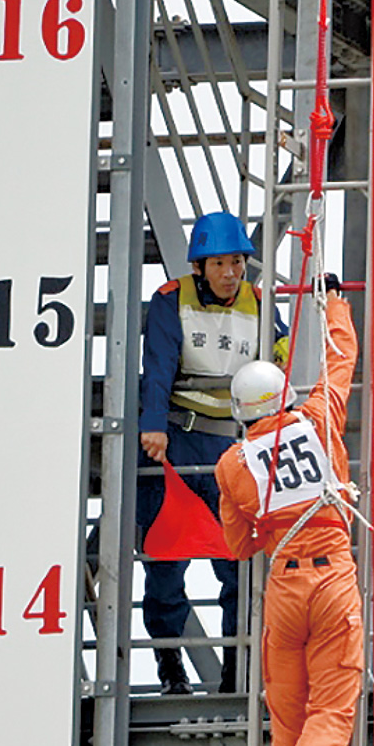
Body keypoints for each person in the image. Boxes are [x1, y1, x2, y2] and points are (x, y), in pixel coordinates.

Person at [213, 277, 363, 746]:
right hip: (331, 576)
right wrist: (334, 303)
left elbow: (239, 545)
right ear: (283, 395)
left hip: (284, 588)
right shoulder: (320, 418)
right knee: (332, 711)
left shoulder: (232, 464)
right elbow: (341, 359)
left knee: (290, 722)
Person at [137, 210, 288, 695]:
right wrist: (152, 427)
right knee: (165, 564)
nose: (230, 274)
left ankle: (234, 673)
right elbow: (157, 368)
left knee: (238, 566)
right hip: (176, 447)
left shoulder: (259, 304)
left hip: (232, 448)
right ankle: (171, 671)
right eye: (219, 264)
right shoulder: (170, 301)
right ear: (199, 266)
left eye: (237, 264)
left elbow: (282, 347)